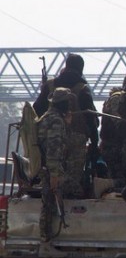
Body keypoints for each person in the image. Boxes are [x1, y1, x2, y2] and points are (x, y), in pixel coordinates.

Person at [33, 53, 99, 198]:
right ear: (81, 68)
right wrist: (94, 143)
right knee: (73, 175)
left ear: (66, 65)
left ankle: (50, 198)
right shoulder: (82, 88)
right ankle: (69, 200)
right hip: (76, 138)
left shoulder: (49, 85)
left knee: (50, 172)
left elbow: (36, 108)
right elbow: (91, 118)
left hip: (49, 137)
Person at [36, 88, 74, 244]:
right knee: (50, 204)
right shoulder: (56, 120)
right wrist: (54, 174)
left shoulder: (48, 117)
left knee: (49, 202)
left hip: (46, 167)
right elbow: (53, 148)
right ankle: (46, 239)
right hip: (51, 169)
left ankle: (47, 238)